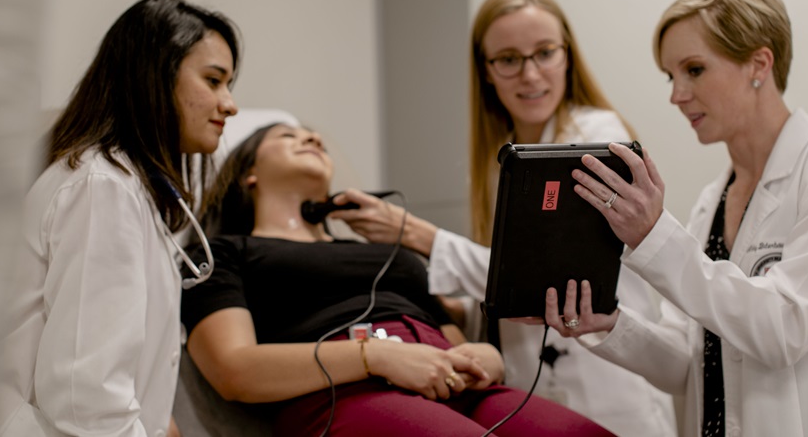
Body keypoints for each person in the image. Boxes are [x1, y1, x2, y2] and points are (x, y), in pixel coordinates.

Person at [542, 0, 808, 437]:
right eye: (671, 76)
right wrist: (607, 324)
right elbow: (690, 365)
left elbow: (784, 329)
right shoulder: (712, 201)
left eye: (694, 69)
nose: (676, 94)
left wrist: (654, 236)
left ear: (759, 64)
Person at [329, 0, 677, 436]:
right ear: (486, 71)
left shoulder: (595, 138)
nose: (530, 75)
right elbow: (507, 295)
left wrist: (413, 234)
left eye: (545, 52)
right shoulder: (503, 158)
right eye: (509, 60)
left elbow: (540, 276)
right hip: (529, 386)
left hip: (607, 386)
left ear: (567, 55)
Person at [180, 122, 615, 437]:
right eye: (288, 136)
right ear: (247, 175)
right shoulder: (223, 252)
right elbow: (233, 370)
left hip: (452, 382)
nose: (312, 136)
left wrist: (483, 355)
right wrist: (378, 357)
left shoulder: (387, 256)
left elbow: (453, 338)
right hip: (341, 395)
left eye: (314, 134)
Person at [0, 0, 242, 437]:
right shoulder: (103, 187)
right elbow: (86, 400)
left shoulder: (125, 186)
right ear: (156, 76)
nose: (229, 104)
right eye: (213, 80)